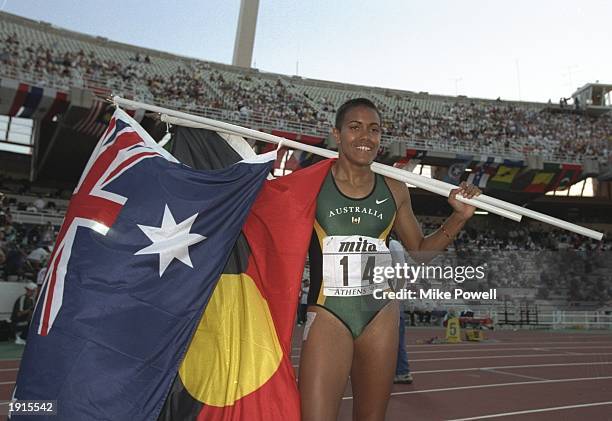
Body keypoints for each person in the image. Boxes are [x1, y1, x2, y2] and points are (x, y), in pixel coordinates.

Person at [298, 98, 481, 421]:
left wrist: (459, 218)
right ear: (336, 135)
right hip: (329, 312)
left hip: (379, 314)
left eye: (374, 130)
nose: (365, 137)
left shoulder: (394, 188)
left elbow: (420, 252)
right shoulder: (311, 182)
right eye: (354, 128)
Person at [389, 236, 413, 384]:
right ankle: (400, 370)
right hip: (394, 295)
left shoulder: (391, 244)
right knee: (396, 338)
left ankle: (402, 371)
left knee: (395, 338)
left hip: (391, 297)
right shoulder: (395, 244)